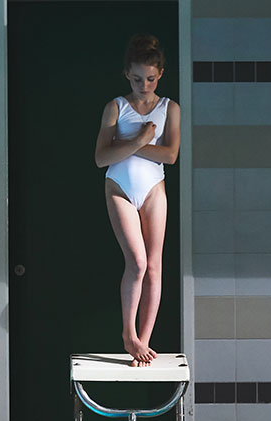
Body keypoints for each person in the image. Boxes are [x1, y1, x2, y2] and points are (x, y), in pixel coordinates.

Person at [94, 34, 181, 366]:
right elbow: (102, 158)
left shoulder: (169, 108)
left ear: (160, 74)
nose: (143, 84)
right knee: (138, 263)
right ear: (126, 74)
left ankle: (143, 343)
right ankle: (127, 334)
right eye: (136, 78)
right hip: (119, 187)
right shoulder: (115, 107)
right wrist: (144, 138)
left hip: (153, 188)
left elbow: (170, 155)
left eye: (150, 78)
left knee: (154, 266)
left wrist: (131, 143)